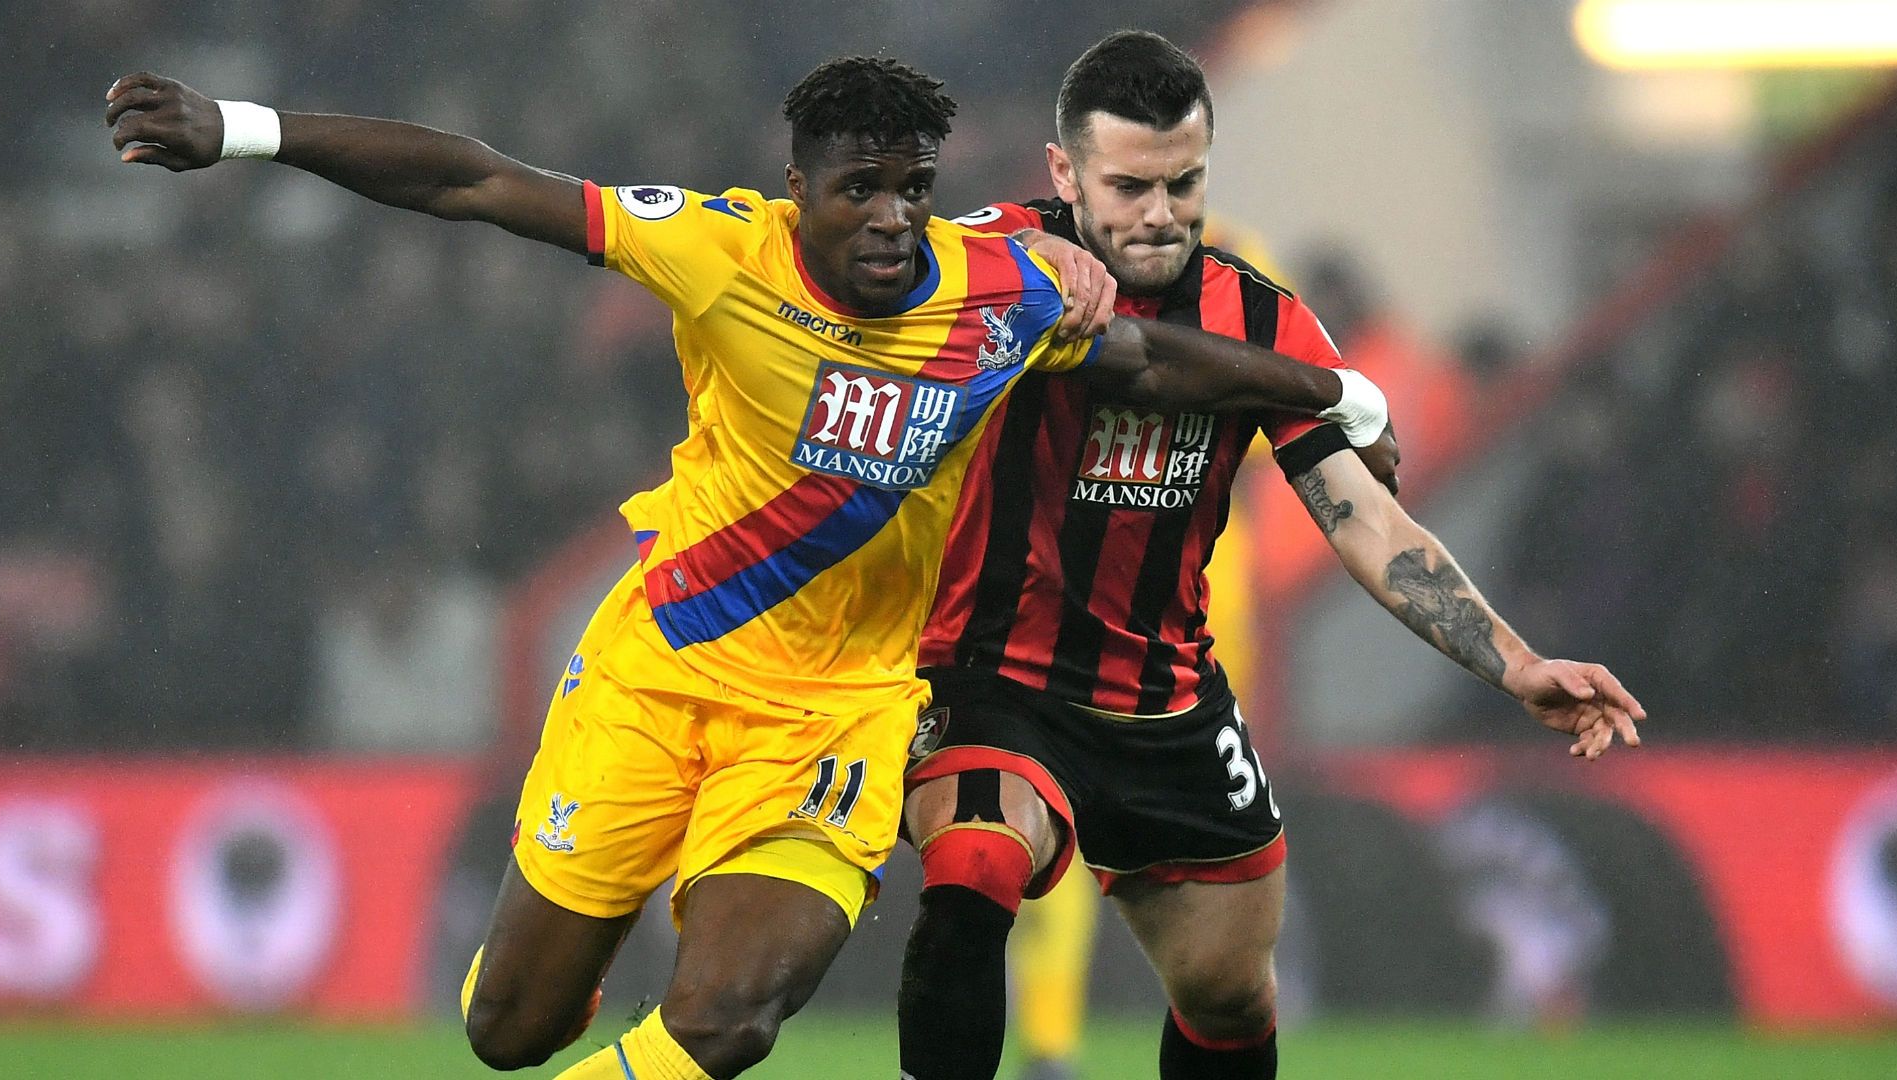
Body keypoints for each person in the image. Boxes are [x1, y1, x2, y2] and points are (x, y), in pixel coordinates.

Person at [105, 55, 1392, 1080]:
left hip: (835, 715)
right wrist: (245, 129)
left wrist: (1334, 392)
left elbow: (1154, 364)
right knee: (509, 1029)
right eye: (858, 192)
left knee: (727, 1021)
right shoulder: (718, 251)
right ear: (798, 190)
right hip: (657, 675)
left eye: (911, 188)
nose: (890, 218)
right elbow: (476, 184)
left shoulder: (999, 293)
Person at [899, 31, 1646, 1080]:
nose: (1159, 213)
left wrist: (1517, 663)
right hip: (996, 677)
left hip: (1165, 698)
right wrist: (1018, 249)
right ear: (1064, 174)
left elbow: (1368, 522)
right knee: (975, 865)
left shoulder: (1262, 320)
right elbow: (899, 258)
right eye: (1127, 187)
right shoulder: (998, 259)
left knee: (1228, 991)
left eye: (1183, 182)